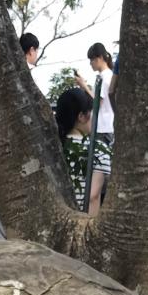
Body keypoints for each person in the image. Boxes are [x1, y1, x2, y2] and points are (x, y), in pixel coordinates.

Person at [55, 87, 111, 215]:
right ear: (81, 116)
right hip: (83, 218)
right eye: (92, 113)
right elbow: (93, 196)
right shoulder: (97, 149)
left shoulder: (54, 147)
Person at [74, 43, 114, 143]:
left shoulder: (105, 77)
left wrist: (84, 86)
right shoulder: (106, 75)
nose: (90, 63)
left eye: (92, 60)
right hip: (104, 127)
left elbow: (97, 103)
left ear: (100, 58)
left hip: (103, 128)